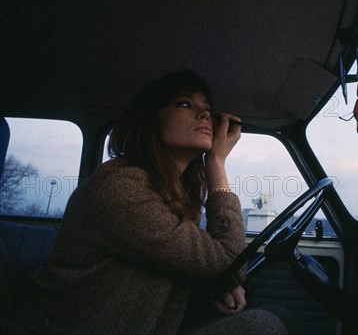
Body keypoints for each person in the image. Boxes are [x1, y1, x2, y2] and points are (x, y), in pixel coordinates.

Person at [12, 70, 290, 335]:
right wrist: (216, 163)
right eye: (184, 103)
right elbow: (229, 262)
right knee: (264, 327)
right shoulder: (120, 188)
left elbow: (179, 270)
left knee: (279, 313)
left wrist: (216, 286)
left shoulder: (171, 192)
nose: (205, 113)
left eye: (207, 107)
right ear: (151, 120)